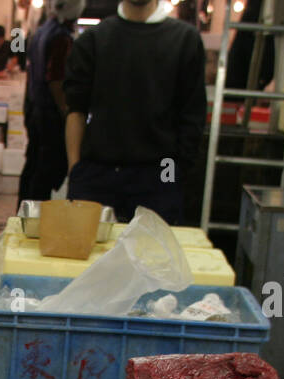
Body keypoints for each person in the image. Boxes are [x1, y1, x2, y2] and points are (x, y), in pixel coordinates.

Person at [62, 0, 206, 223]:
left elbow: (192, 114)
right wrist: (76, 172)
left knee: (153, 255)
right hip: (97, 173)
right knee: (90, 254)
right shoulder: (94, 39)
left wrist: (174, 174)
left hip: (160, 172)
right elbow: (76, 110)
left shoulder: (185, 39)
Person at [17, 0, 85, 203]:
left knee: (33, 165)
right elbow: (55, 78)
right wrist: (65, 110)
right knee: (45, 171)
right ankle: (35, 216)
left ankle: (24, 212)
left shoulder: (42, 30)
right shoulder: (61, 37)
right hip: (49, 113)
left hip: (35, 108)